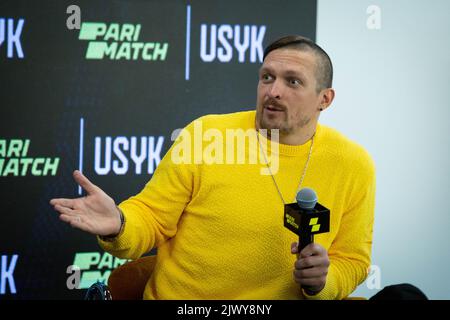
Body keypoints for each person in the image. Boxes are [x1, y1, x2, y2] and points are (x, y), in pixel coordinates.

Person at [50, 35, 376, 300]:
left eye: (293, 81)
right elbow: (151, 216)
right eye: (267, 77)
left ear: (325, 99)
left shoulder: (354, 164)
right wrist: (119, 223)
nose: (273, 91)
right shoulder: (206, 135)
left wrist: (323, 282)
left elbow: (353, 262)